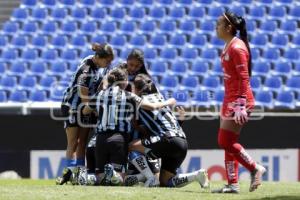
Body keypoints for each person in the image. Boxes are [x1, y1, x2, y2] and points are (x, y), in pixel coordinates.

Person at [82, 68, 177, 186]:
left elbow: (85, 111)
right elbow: (152, 107)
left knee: (100, 179)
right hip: (119, 139)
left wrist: (98, 110)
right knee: (120, 180)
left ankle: (90, 177)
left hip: (100, 139)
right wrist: (169, 101)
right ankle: (115, 175)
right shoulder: (129, 96)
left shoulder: (100, 95)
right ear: (125, 81)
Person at [212, 11, 266, 193]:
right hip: (230, 99)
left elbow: (244, 77)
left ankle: (255, 168)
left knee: (225, 141)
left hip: (239, 100)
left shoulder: (237, 47)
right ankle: (232, 184)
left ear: (228, 28)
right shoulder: (229, 45)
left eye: (218, 24)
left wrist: (241, 102)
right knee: (228, 142)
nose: (215, 27)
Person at [129, 74, 210, 188]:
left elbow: (151, 109)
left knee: (131, 146)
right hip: (182, 141)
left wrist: (169, 102)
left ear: (137, 88)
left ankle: (151, 179)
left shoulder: (141, 101)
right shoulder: (159, 97)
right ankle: (197, 175)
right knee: (165, 181)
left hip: (167, 140)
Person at [56, 43, 114, 185]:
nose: (108, 64)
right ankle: (70, 172)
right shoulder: (86, 70)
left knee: (83, 141)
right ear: (99, 58)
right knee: (73, 142)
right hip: (73, 106)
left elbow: (102, 81)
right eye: (107, 61)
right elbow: (84, 97)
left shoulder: (99, 65)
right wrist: (98, 110)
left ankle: (80, 172)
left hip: (87, 106)